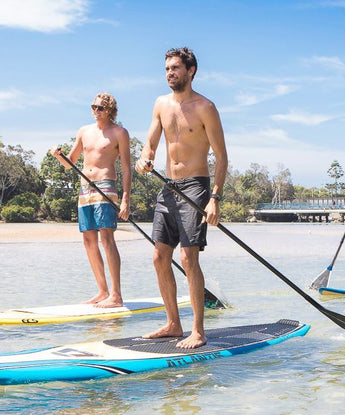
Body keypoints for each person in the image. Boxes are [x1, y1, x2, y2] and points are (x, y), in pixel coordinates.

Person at [135, 47, 228, 349]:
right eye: (166, 69)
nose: (169, 73)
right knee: (159, 256)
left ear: (191, 71)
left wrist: (215, 198)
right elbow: (150, 144)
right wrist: (144, 158)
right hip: (168, 187)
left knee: (188, 258)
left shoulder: (205, 107)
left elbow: (222, 157)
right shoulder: (160, 104)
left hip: (196, 186)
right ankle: (173, 324)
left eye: (175, 68)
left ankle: (198, 330)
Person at [52, 93, 131, 308]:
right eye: (94, 107)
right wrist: (59, 156)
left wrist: (125, 200)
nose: (96, 111)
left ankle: (116, 295)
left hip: (106, 186)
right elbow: (71, 163)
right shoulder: (84, 131)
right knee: (88, 241)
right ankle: (102, 291)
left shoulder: (119, 133)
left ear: (110, 110)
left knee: (107, 239)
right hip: (85, 188)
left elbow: (126, 167)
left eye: (101, 108)